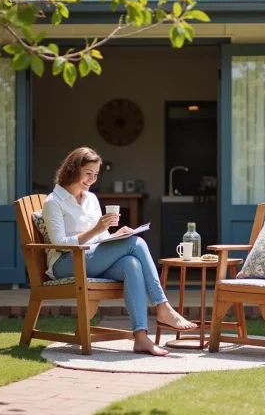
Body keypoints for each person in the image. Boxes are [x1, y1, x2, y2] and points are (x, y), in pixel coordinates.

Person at [41, 146, 197, 356]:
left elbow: (99, 240)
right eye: (88, 173)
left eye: (95, 174)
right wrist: (96, 229)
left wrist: (113, 236)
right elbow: (60, 243)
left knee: (131, 264)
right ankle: (163, 307)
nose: (92, 179)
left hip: (92, 259)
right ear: (73, 168)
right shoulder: (54, 201)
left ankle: (141, 337)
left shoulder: (91, 199)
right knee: (137, 244)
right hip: (66, 263)